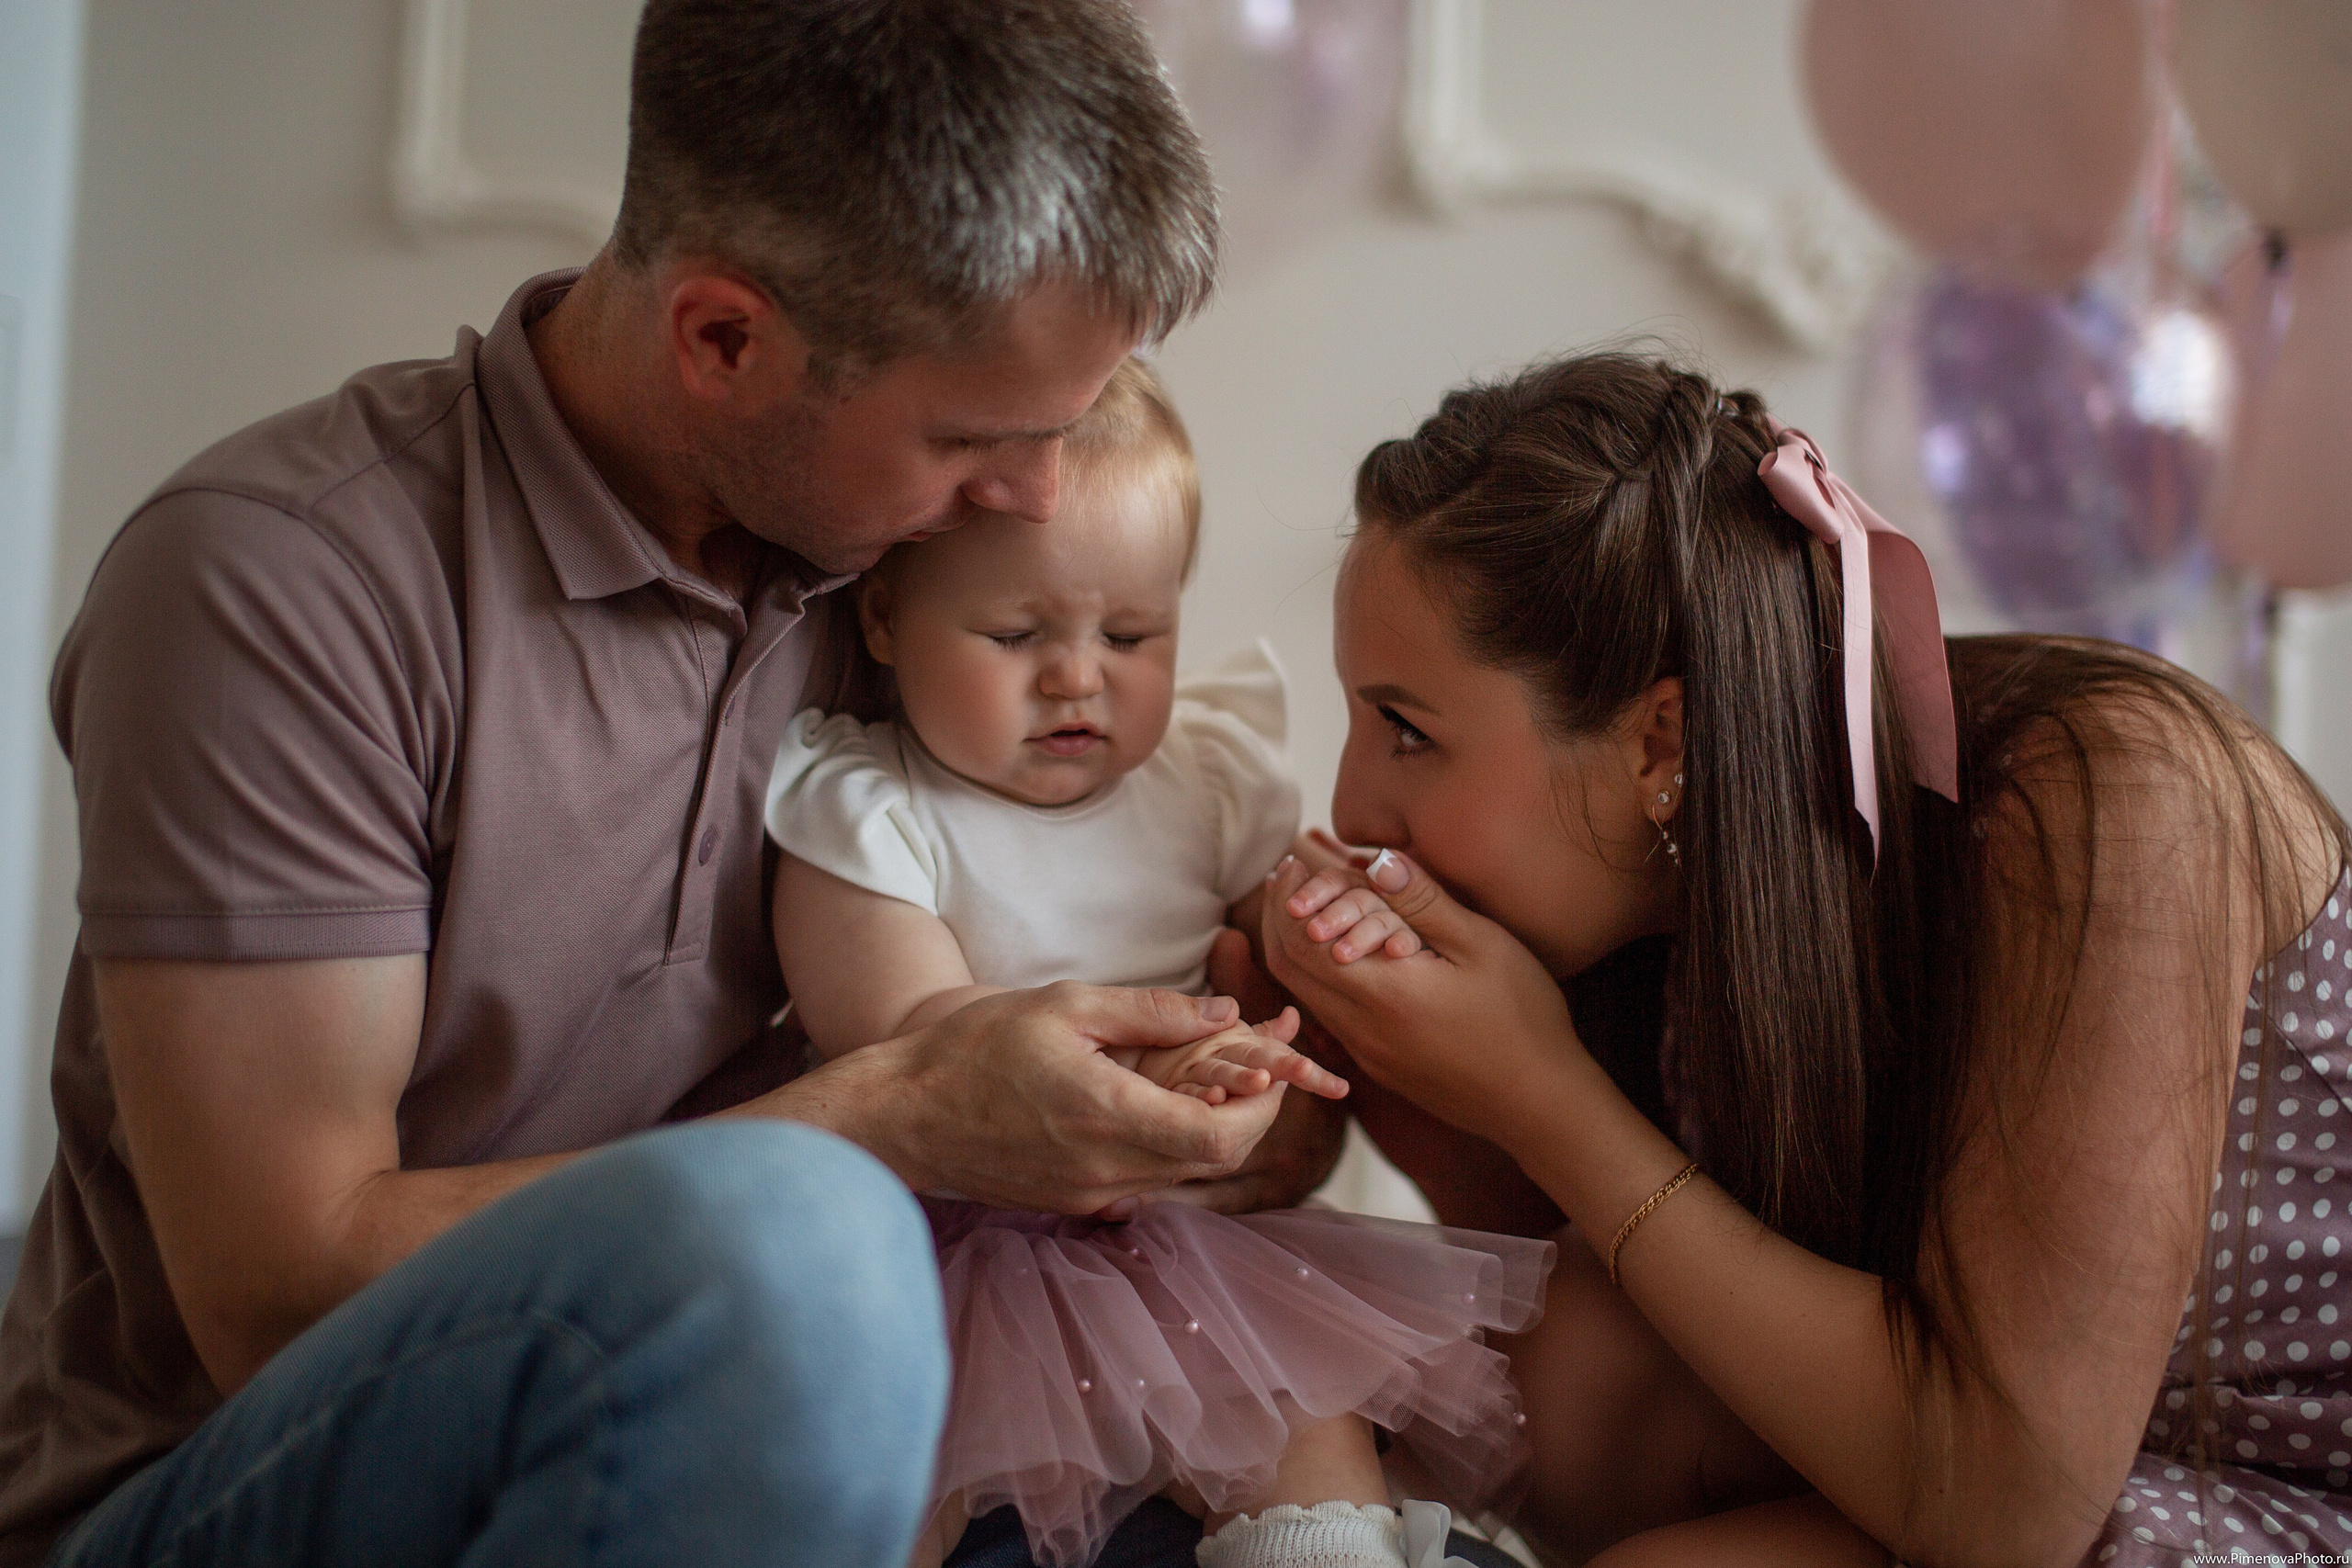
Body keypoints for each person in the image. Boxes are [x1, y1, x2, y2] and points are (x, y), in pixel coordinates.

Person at [0, 6, 1351, 1565]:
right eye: (978, 439)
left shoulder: (896, 582)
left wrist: (1225, 1109)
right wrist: (903, 1115)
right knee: (804, 1242)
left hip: (810, 1423)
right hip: (237, 1480)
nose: (1031, 500)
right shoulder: (281, 587)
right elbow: (272, 1302)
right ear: (723, 340)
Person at [1257, 353, 2351, 1566]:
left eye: (1407, 730)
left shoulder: (2110, 800)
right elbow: (1647, 1288)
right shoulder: (1691, 889)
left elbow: (2005, 1510)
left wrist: (1537, 1093)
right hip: (2025, 1454)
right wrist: (1410, 1102)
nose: (1353, 807)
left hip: (2229, 1487)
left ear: (1658, 739)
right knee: (1568, 1367)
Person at [764, 359, 1555, 1568]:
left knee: (1299, 1419)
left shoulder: (1202, 777)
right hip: (952, 1239)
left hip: (1189, 1238)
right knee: (878, 1484)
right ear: (884, 617)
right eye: (1016, 633)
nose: (1078, 675)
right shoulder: (869, 807)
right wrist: (1152, 1057)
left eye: (1130, 634)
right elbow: (911, 1029)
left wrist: (1349, 932)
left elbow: (1293, 921)